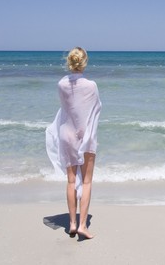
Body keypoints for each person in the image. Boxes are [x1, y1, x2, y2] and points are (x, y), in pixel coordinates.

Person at [46, 47, 102, 239]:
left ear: (69, 62)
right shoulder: (91, 85)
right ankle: (82, 226)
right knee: (86, 181)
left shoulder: (61, 84)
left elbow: (66, 109)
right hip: (84, 135)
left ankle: (71, 224)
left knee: (70, 180)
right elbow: (93, 111)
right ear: (84, 62)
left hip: (66, 134)